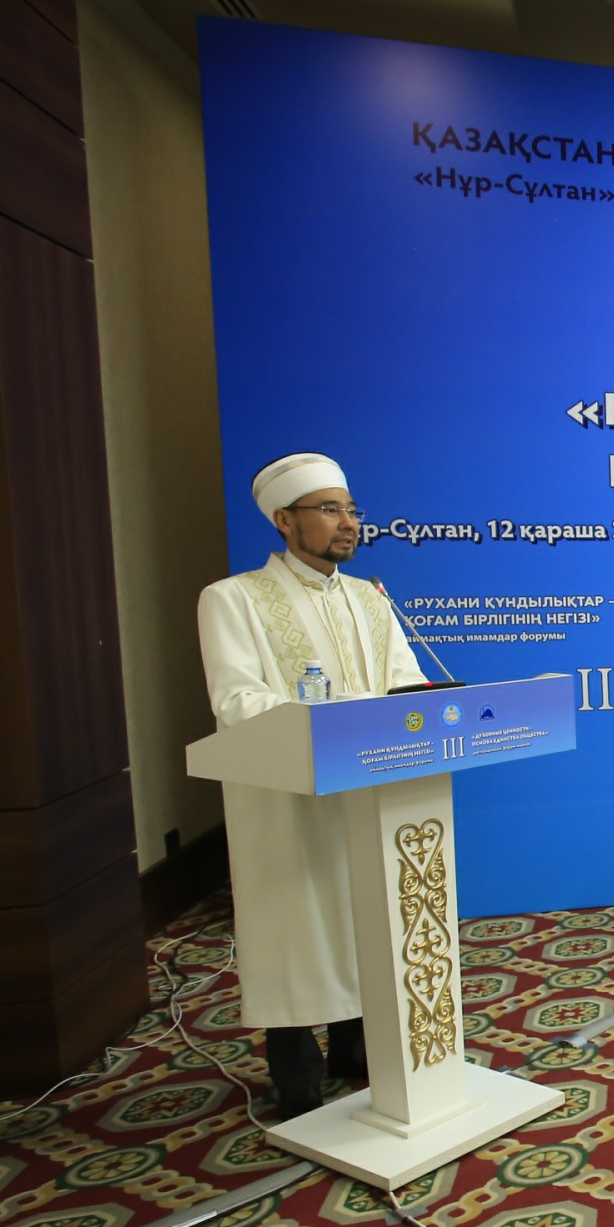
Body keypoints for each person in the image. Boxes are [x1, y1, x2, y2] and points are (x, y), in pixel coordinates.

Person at [197, 453, 428, 1119]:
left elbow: (404, 682)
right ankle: (294, 1076)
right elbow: (236, 700)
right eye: (329, 510)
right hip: (285, 797)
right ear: (283, 520)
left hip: (369, 786)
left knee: (365, 914)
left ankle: (356, 1053)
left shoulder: (370, 598)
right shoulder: (232, 598)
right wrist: (337, 719)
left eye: (350, 509)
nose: (348, 523)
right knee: (295, 927)